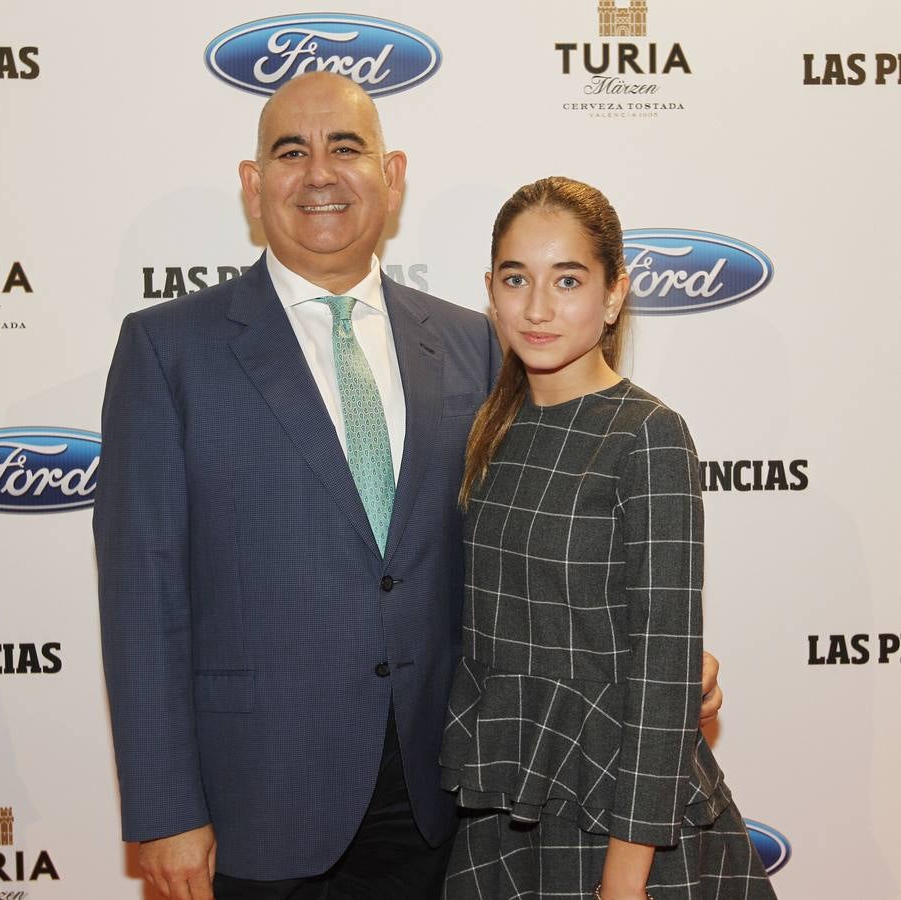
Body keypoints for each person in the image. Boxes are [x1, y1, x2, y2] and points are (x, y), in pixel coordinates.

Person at [94, 73, 723, 900]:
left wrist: (663, 665)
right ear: (254, 186)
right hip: (259, 801)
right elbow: (141, 599)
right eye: (291, 151)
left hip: (453, 798)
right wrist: (165, 809)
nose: (320, 172)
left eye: (345, 147)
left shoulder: (474, 345)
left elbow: (524, 543)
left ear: (391, 176)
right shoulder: (167, 350)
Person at [439, 176, 774, 899]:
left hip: (622, 821)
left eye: (566, 279)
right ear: (489, 291)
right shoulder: (489, 428)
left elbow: (662, 677)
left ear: (614, 294)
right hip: (509, 807)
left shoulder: (645, 436)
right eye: (514, 278)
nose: (536, 307)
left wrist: (622, 883)